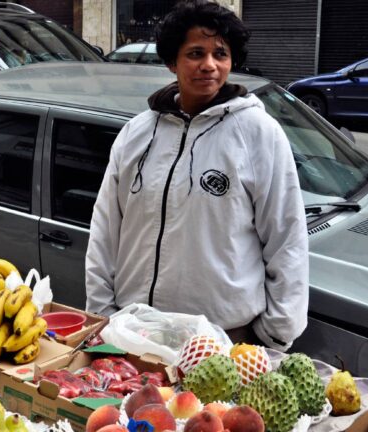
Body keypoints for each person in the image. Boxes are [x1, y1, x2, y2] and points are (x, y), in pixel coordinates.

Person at [84, 0, 308, 351]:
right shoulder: (136, 134)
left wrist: (274, 335)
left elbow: (286, 238)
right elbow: (105, 229)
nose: (209, 65)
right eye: (195, 53)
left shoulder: (258, 133)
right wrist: (103, 315)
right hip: (134, 334)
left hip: (222, 342)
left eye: (220, 54)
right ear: (172, 61)